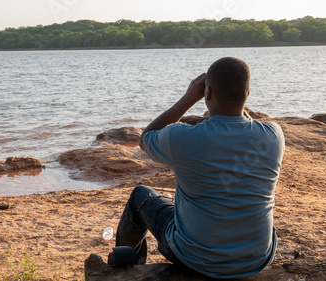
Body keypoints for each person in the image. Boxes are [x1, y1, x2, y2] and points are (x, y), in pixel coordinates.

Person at [115, 57, 285, 279]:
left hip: (194, 257)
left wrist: (188, 98)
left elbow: (145, 138)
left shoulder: (182, 137)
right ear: (247, 94)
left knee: (140, 195)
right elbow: (242, 118)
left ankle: (128, 268)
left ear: (206, 93)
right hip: (257, 257)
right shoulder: (274, 135)